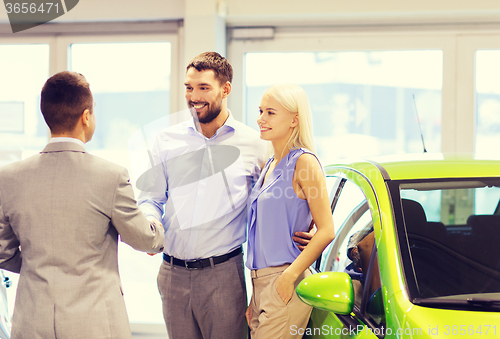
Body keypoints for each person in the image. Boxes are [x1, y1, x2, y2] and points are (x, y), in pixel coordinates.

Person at [138, 52, 313, 339]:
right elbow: (151, 198)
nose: (194, 96)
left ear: (225, 89)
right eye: (189, 87)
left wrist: (312, 225)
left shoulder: (256, 144)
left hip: (223, 275)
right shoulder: (166, 141)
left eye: (203, 88)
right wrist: (150, 225)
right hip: (172, 274)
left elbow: (284, 195)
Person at [0, 71, 165, 339]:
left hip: (32, 323)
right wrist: (157, 224)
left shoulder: (9, 177)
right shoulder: (110, 176)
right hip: (95, 324)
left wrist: (38, 266)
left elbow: (3, 252)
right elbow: (144, 240)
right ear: (86, 117)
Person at [245, 83, 335, 338]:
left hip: (284, 279)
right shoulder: (270, 164)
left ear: (295, 119)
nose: (261, 119)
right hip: (260, 282)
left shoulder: (304, 162)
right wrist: (256, 295)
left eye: (270, 112)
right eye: (261, 111)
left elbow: (327, 230)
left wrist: (288, 276)